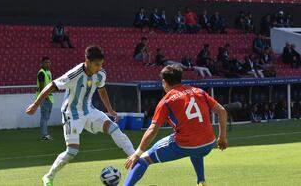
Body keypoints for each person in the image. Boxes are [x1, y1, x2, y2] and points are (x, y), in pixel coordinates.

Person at [26, 46, 135, 186]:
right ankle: (49, 176)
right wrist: (35, 105)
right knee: (72, 151)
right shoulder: (75, 74)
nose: (99, 67)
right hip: (71, 114)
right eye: (97, 64)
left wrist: (110, 109)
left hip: (89, 110)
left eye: (101, 64)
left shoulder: (101, 73)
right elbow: (51, 86)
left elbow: (102, 90)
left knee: (113, 128)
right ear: (87, 61)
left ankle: (134, 157)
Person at [123, 65, 228, 186]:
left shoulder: (166, 101)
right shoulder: (199, 91)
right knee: (195, 146)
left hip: (185, 145)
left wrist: (137, 153)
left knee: (142, 160)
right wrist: (222, 137)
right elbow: (222, 111)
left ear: (164, 82)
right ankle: (201, 181)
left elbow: (152, 130)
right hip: (208, 144)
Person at [37, 56, 54, 141]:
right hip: (45, 98)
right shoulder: (41, 73)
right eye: (46, 62)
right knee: (44, 117)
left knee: (46, 117)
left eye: (49, 62)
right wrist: (45, 96)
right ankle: (44, 135)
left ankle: (45, 134)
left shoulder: (48, 72)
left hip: (49, 98)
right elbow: (42, 87)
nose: (48, 64)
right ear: (42, 63)